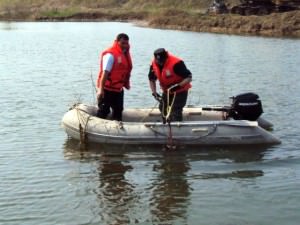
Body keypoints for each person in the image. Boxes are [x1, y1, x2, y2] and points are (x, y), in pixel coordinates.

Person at [148, 48, 192, 123]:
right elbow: (151, 79)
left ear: (166, 57)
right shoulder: (154, 64)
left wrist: (178, 86)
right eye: (158, 61)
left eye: (162, 61)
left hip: (180, 91)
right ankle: (166, 122)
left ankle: (176, 126)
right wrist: (154, 92)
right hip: (167, 91)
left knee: (175, 109)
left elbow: (189, 77)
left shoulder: (176, 63)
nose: (160, 63)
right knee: (162, 107)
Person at [96, 33, 132, 121]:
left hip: (118, 89)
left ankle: (117, 130)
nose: (125, 45)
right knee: (104, 111)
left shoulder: (125, 54)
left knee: (118, 111)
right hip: (107, 89)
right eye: (123, 43)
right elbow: (105, 73)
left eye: (126, 43)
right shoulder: (110, 55)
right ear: (117, 42)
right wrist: (101, 90)